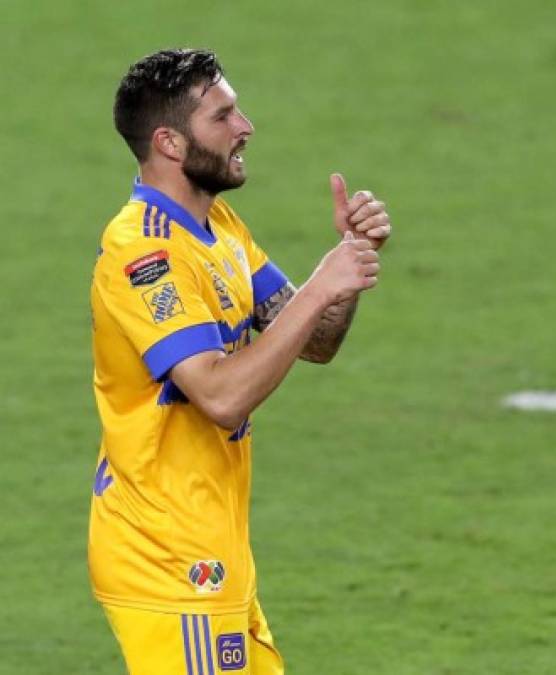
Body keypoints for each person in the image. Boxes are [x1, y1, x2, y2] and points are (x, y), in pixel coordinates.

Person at [89, 48, 391, 674]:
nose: (245, 127)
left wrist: (348, 260)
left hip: (214, 548)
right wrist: (319, 287)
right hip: (169, 562)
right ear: (170, 143)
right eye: (223, 116)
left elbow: (315, 339)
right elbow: (221, 396)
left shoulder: (219, 225)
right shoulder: (143, 252)